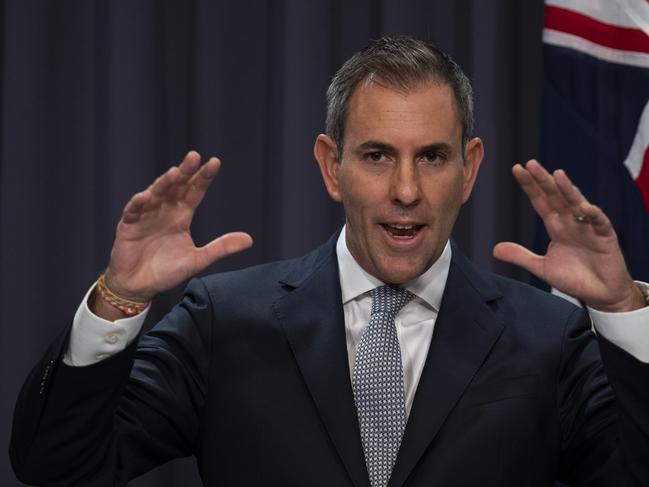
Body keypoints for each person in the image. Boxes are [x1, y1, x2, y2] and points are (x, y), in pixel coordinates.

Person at [10, 36, 649, 487]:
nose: (406, 190)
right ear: (330, 166)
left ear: (469, 167)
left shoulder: (549, 337)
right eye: (376, 155)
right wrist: (119, 296)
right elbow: (57, 465)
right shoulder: (221, 322)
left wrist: (621, 312)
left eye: (431, 156)